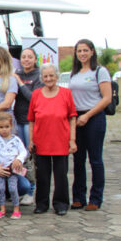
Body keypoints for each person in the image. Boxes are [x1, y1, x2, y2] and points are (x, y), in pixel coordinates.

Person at [27, 63, 77, 216]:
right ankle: (41, 203)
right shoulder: (36, 94)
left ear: (57, 76)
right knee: (42, 174)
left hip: (60, 140)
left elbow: (72, 118)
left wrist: (72, 140)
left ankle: (61, 204)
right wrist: (31, 140)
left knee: (61, 174)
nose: (48, 79)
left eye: (51, 76)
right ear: (41, 78)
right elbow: (31, 120)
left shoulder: (66, 93)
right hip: (41, 140)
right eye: (45, 76)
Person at [69, 38, 111, 211]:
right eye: (79, 51)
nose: (82, 54)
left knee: (95, 159)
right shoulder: (75, 73)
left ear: (92, 51)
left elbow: (106, 98)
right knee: (78, 160)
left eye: (85, 50)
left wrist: (87, 115)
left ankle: (95, 198)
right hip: (76, 118)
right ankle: (78, 197)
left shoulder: (100, 71)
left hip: (94, 117)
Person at [0, 112, 28, 219]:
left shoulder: (16, 140)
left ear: (11, 126)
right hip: (1, 169)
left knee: (12, 188)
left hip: (12, 169)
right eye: (1, 127)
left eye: (7, 127)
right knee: (0, 188)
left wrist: (18, 159)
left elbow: (23, 151)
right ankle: (2, 209)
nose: (4, 130)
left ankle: (16, 209)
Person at [13, 48, 42, 147]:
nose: (26, 59)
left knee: (31, 149)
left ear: (35, 59)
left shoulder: (39, 75)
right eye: (23, 57)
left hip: (31, 119)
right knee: (20, 151)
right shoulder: (17, 73)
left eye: (30, 57)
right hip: (17, 117)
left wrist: (19, 82)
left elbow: (33, 98)